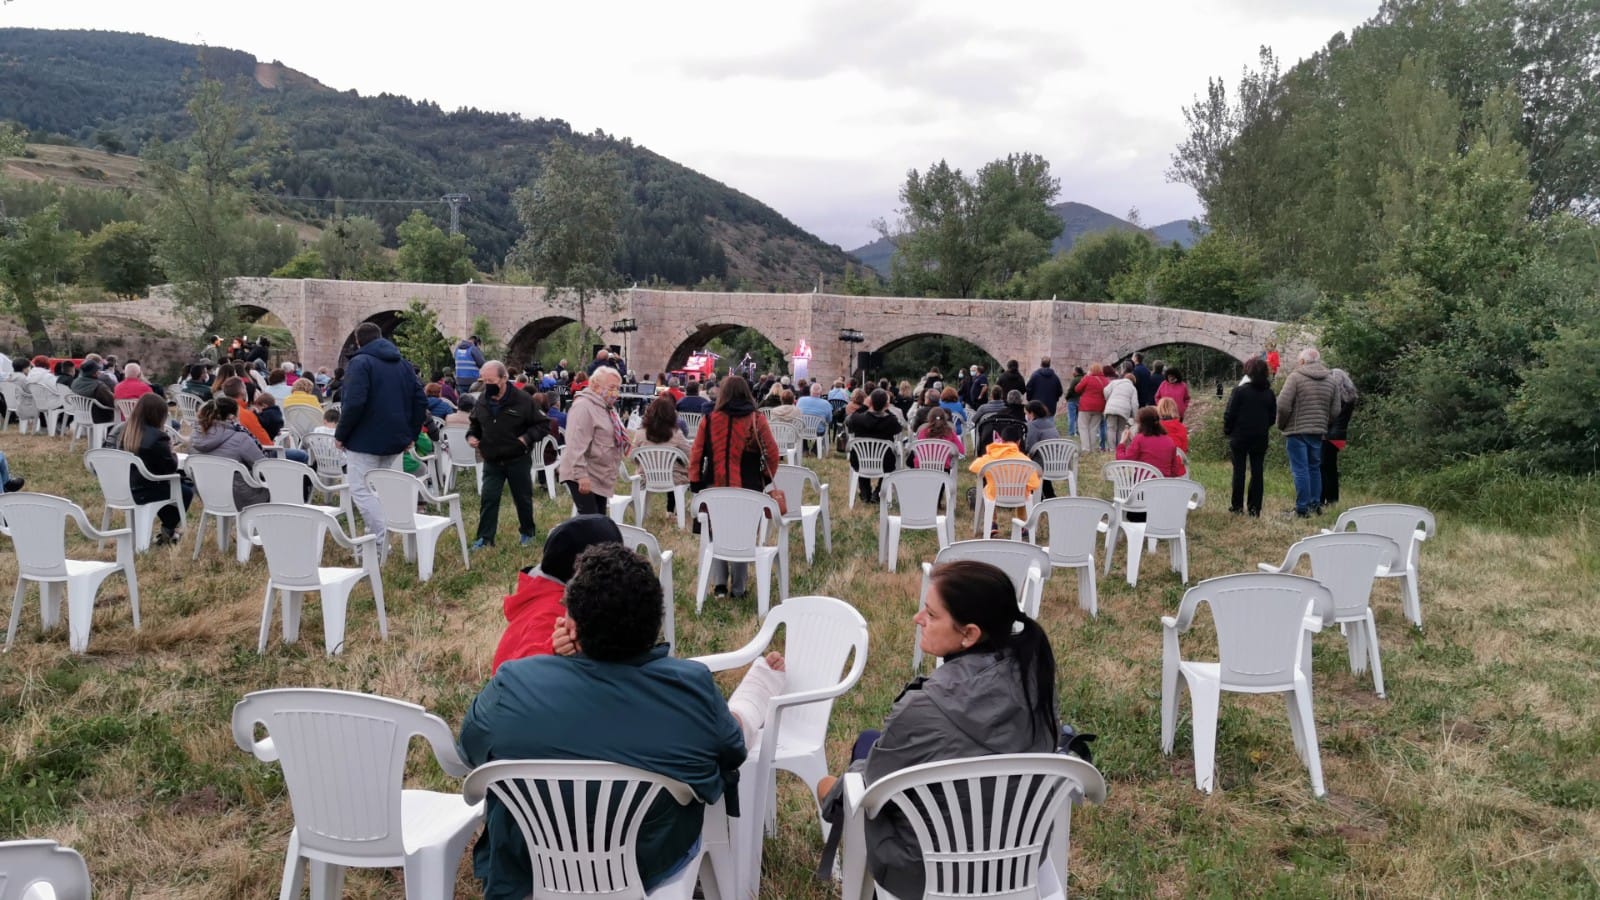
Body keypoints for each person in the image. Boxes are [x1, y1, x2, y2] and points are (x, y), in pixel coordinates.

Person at [458, 543, 747, 900]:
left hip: (528, 866)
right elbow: (732, 750)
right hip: (649, 864)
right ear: (655, 621)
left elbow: (469, 749)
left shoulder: (513, 685)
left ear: (573, 626)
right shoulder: (691, 690)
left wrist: (556, 661)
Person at [816, 560, 1060, 900]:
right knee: (870, 741)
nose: (918, 619)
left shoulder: (924, 708)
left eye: (930, 615)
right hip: (1018, 862)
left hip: (928, 873)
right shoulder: (1037, 682)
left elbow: (872, 787)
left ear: (970, 634)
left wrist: (832, 790)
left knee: (855, 765)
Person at [336, 321, 429, 543]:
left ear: (358, 342)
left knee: (360, 489)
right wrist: (411, 435)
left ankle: (379, 538)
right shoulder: (404, 365)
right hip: (396, 439)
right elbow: (420, 400)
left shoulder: (360, 363)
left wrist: (341, 434)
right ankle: (376, 532)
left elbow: (354, 402)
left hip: (364, 440)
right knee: (380, 487)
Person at [687, 375, 780, 597]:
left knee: (715, 531)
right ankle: (739, 588)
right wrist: (765, 478)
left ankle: (720, 585)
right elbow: (773, 453)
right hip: (748, 486)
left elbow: (696, 454)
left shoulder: (708, 421)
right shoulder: (757, 420)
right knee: (745, 533)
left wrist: (696, 483)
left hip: (715, 486)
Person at [467, 361, 548, 549]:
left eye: (491, 380)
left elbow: (543, 425)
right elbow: (475, 423)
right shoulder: (482, 400)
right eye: (484, 381)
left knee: (522, 498)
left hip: (517, 459)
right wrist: (472, 436)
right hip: (492, 460)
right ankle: (485, 538)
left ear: (504, 378)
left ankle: (528, 532)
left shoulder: (523, 400)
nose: (487, 384)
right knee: (488, 498)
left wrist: (525, 439)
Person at [105, 393, 194, 545]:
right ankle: (169, 530)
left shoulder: (119, 430)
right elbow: (169, 468)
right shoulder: (158, 437)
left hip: (116, 487)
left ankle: (168, 530)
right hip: (142, 490)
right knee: (185, 490)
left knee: (171, 487)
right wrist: (171, 451)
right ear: (159, 415)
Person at [1276, 348, 1341, 518]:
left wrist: (1281, 424)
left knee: (1300, 470)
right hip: (1317, 430)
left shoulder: (1295, 377)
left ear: (1303, 361)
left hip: (1297, 430)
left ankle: (1301, 508)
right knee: (1314, 468)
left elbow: (1282, 405)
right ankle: (1315, 504)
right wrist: (1323, 423)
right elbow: (1335, 410)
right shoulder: (1331, 380)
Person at [559, 365, 629, 517]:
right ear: (596, 386)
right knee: (593, 521)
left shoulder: (607, 407)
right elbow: (575, 444)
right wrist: (581, 476)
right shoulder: (584, 406)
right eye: (611, 387)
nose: (615, 392)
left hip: (599, 475)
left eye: (618, 388)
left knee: (598, 519)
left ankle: (584, 541)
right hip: (583, 474)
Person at [190, 398, 272, 509]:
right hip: (242, 498)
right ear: (231, 417)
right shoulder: (240, 438)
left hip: (208, 495)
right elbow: (264, 468)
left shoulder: (194, 438)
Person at [1223, 357, 1276, 517]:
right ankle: (1255, 508)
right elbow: (1272, 417)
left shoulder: (1240, 391)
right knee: (1257, 471)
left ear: (1249, 371)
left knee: (1239, 471)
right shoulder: (1269, 393)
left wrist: (1228, 429)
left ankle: (1237, 506)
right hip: (1260, 436)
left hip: (1240, 435)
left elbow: (1230, 413)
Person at [632, 394, 692, 516]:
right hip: (673, 478)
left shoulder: (640, 433)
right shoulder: (677, 434)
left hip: (646, 476)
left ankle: (642, 513)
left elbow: (633, 456)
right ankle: (671, 511)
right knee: (675, 469)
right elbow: (690, 454)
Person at [969, 419, 1041, 520]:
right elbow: (1035, 484)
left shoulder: (992, 456)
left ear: (1001, 440)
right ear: (1019, 442)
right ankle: (1022, 523)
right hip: (1019, 497)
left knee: (987, 489)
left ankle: (993, 522)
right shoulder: (1025, 460)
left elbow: (973, 467)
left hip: (995, 494)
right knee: (1025, 491)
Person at [847, 388, 901, 504]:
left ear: (870, 403)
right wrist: (887, 409)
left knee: (860, 456)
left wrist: (865, 407)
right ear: (887, 404)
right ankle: (878, 492)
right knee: (890, 460)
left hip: (861, 461)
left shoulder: (858, 419)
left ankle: (865, 493)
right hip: (884, 463)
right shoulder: (891, 421)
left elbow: (849, 420)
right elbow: (898, 428)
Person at [1321, 368, 1358, 509]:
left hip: (1329, 435)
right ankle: (1333, 499)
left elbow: (1330, 418)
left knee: (1323, 467)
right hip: (1340, 436)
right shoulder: (1351, 398)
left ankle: (1325, 498)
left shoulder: (1336, 399)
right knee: (1332, 468)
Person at [1116, 406, 1182, 476]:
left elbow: (1124, 461)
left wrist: (1122, 443)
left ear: (1141, 423)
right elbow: (1174, 470)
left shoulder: (1139, 439)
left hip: (1144, 483)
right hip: (1163, 483)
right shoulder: (1169, 441)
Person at [1023, 400, 1061, 498]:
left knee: (1028, 466)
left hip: (1042, 464)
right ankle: (1049, 496)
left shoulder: (1033, 425)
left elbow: (1030, 447)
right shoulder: (1050, 423)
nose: (1026, 416)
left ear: (1031, 413)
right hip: (1058, 461)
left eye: (1026, 413)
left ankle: (1034, 497)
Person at [1073, 365, 1109, 452]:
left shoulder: (1088, 378)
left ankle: (1086, 448)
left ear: (1091, 370)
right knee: (1094, 428)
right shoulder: (1105, 380)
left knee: (1083, 427)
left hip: (1085, 406)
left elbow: (1077, 389)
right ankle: (1092, 448)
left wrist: (1086, 377)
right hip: (1099, 407)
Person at [1103, 365, 1139, 448]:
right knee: (1121, 430)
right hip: (1124, 411)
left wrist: (1108, 399)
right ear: (1133, 381)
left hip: (1111, 408)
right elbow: (1135, 404)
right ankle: (1119, 447)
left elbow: (1105, 390)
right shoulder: (1133, 388)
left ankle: (1111, 448)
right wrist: (1135, 416)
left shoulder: (1115, 382)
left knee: (1111, 428)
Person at [1156, 397, 1189, 475]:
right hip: (1178, 469)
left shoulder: (1154, 428)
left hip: (1157, 469)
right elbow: (1184, 450)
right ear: (1175, 410)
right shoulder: (1181, 428)